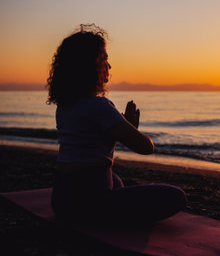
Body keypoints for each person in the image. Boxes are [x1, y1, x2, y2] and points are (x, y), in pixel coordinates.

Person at [46, 24, 186, 225]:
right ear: (91, 65)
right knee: (175, 196)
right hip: (88, 207)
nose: (109, 67)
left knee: (116, 179)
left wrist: (122, 128)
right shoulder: (99, 106)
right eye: (105, 60)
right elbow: (146, 147)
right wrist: (131, 128)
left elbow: (91, 146)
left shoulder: (65, 106)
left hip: (61, 201)